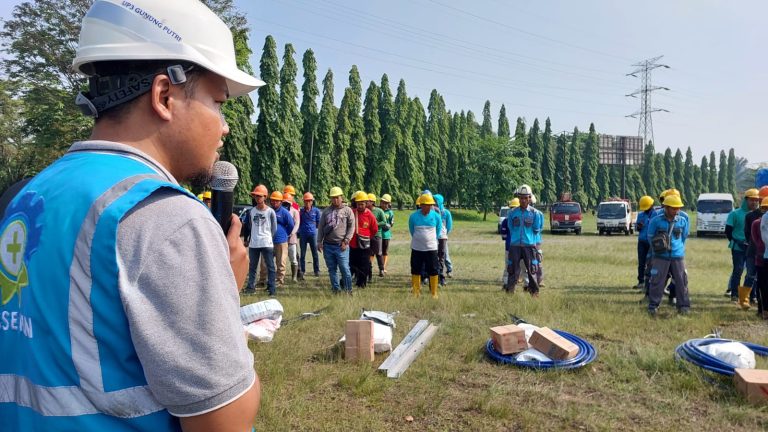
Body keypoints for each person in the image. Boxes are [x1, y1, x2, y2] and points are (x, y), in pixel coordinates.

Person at [0, 0, 262, 429]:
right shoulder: (165, 215)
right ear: (164, 95)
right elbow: (223, 422)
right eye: (218, 102)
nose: (224, 126)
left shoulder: (29, 196)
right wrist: (225, 299)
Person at [646, 194, 691, 316]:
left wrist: (677, 249)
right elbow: (650, 237)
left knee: (682, 281)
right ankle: (653, 306)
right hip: (660, 256)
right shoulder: (656, 221)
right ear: (666, 207)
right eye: (674, 208)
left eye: (678, 208)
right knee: (657, 281)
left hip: (677, 256)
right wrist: (659, 250)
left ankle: (683, 306)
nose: (677, 211)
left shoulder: (682, 221)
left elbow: (684, 236)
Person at [504, 185, 544, 297]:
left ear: (530, 198)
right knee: (512, 270)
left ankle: (534, 293)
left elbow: (537, 229)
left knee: (532, 270)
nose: (523, 200)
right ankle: (510, 292)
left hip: (529, 246)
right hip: (515, 245)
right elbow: (511, 227)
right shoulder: (512, 213)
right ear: (519, 198)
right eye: (521, 198)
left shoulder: (535, 213)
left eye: (526, 198)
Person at [317, 186, 355, 294]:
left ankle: (348, 290)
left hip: (341, 245)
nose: (335, 200)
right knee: (332, 269)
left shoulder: (347, 211)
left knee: (344, 268)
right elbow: (320, 227)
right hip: (328, 245)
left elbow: (351, 227)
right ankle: (336, 289)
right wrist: (319, 241)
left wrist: (346, 241)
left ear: (341, 197)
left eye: (337, 197)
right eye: (333, 198)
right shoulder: (326, 211)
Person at [725, 188, 759, 301]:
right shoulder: (735, 214)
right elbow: (728, 231)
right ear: (746, 200)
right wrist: (735, 241)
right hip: (738, 247)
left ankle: (749, 295)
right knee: (738, 270)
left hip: (752, 248)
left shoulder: (758, 215)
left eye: (756, 200)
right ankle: (734, 294)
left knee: (751, 273)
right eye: (751, 200)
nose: (754, 202)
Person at [244, 185, 277, 296]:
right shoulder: (251, 212)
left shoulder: (270, 212)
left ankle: (272, 289)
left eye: (259, 196)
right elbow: (248, 227)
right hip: (254, 243)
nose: (257, 198)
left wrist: (269, 238)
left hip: (266, 243)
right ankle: (250, 288)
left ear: (265, 197)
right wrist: (246, 239)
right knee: (252, 267)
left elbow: (274, 228)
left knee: (270, 267)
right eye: (256, 196)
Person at [409, 193, 442, 298]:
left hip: (431, 248)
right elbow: (412, 230)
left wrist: (430, 240)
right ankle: (416, 292)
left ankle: (434, 293)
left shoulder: (436, 216)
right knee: (416, 269)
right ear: (421, 205)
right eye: (427, 205)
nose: (429, 207)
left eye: (430, 205)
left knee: (433, 269)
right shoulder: (413, 216)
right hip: (417, 248)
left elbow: (438, 230)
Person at [261, 190, 294, 288]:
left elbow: (291, 225)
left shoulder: (284, 212)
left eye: (277, 201)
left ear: (281, 202)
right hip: (268, 241)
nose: (274, 203)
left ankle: (279, 280)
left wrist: (285, 234)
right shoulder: (267, 211)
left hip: (281, 241)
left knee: (281, 262)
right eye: (273, 201)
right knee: (264, 262)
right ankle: (262, 280)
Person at [348, 191, 378, 288]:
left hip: (365, 244)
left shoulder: (369, 215)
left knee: (364, 264)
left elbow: (374, 229)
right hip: (353, 244)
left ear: (366, 204)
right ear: (355, 204)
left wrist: (366, 236)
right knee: (352, 264)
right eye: (358, 204)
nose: (360, 206)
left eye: (362, 204)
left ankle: (362, 283)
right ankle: (352, 280)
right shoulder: (352, 213)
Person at [743, 187, 767, 306]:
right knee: (750, 275)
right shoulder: (750, 216)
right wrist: (757, 245)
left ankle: (757, 299)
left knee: (762, 278)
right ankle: (744, 301)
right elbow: (747, 234)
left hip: (765, 252)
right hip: (753, 251)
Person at [751, 197, 768, 318]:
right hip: (761, 256)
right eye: (764, 207)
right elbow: (757, 240)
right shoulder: (757, 222)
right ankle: (762, 310)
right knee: (762, 284)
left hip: (765, 255)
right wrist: (761, 250)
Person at [298, 192, 321, 279]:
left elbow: (319, 223)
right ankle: (302, 271)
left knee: (315, 253)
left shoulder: (316, 211)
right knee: (302, 254)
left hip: (313, 235)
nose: (307, 203)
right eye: (306, 201)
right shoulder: (301, 211)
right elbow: (298, 222)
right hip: (303, 235)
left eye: (309, 201)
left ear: (312, 202)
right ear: (304, 202)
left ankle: (316, 270)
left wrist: (313, 229)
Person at [635, 195, 655, 289]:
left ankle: (651, 282)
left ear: (651, 205)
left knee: (652, 263)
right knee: (641, 263)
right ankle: (641, 281)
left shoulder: (656, 215)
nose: (645, 210)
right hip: (642, 242)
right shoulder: (640, 215)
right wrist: (638, 227)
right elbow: (636, 228)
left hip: (652, 243)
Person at [434, 194, 453, 286]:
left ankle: (442, 276)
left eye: (435, 201)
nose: (434, 203)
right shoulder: (431, 211)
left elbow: (449, 226)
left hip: (442, 237)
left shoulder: (446, 213)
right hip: (432, 237)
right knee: (433, 257)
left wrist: (444, 233)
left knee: (442, 256)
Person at [367, 193, 387, 278]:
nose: (366, 202)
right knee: (368, 253)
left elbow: (384, 222)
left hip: (377, 235)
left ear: (372, 202)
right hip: (367, 235)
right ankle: (368, 270)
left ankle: (381, 269)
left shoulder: (379, 211)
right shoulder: (366, 211)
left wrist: (375, 224)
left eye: (368, 201)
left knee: (379, 253)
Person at [500, 197, 520, 285]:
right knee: (520, 265)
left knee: (508, 265)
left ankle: (506, 282)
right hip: (520, 246)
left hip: (509, 246)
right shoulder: (520, 220)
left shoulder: (505, 220)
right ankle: (517, 279)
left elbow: (503, 236)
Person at [283, 192, 301, 282]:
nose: (285, 205)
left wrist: (292, 233)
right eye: (284, 203)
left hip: (291, 239)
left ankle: (294, 277)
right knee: (280, 259)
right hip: (281, 239)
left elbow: (297, 224)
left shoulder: (295, 211)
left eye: (287, 203)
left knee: (293, 258)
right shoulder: (280, 211)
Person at [380, 193, 395, 275]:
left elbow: (392, 223)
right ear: (381, 202)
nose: (385, 205)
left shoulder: (390, 212)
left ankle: (383, 267)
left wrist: (388, 225)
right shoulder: (378, 210)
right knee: (377, 252)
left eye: (386, 203)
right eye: (383, 202)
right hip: (378, 234)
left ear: (389, 204)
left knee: (384, 251)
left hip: (386, 235)